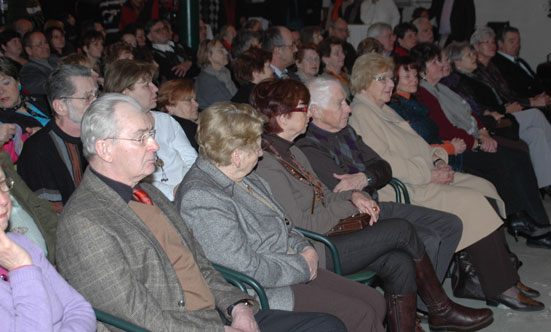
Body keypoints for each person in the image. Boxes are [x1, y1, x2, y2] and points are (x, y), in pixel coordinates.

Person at [55, 93, 344, 332]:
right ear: (105, 149)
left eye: (151, 134)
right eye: (141, 137)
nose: (154, 145)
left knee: (328, 324)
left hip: (215, 315)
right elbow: (135, 315)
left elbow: (200, 264)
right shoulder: (85, 222)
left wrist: (238, 305)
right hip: (187, 327)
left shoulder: (148, 193)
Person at [252, 78, 495, 332]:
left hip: (333, 232)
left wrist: (353, 196)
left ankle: (409, 325)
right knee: (401, 229)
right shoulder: (268, 163)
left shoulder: (292, 152)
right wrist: (351, 204)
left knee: (399, 262)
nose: (308, 114)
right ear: (282, 117)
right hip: (316, 249)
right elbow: (303, 225)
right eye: (303, 108)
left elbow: (325, 194)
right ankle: (440, 309)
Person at [346, 52, 544, 311]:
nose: (390, 84)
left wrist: (439, 160)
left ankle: (487, 275)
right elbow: (386, 165)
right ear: (363, 81)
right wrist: (430, 174)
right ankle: (501, 286)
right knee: (474, 203)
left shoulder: (383, 109)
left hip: (424, 176)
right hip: (406, 189)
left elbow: (419, 146)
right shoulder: (363, 114)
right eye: (381, 79)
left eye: (390, 78)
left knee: (486, 188)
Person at [175, 101, 386, 332]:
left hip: (292, 267)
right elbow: (245, 268)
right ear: (236, 156)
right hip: (264, 289)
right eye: (256, 146)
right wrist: (302, 265)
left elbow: (286, 223)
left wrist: (305, 249)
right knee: (360, 313)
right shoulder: (201, 198)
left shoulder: (246, 176)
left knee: (375, 301)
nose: (260, 153)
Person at [410, 43, 551, 243]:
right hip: (454, 148)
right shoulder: (424, 93)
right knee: (510, 158)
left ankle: (529, 220)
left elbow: (471, 113)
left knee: (517, 153)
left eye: (442, 59)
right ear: (422, 69)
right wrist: (476, 141)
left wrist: (483, 132)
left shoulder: (441, 88)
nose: (443, 64)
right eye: (436, 61)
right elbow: (445, 130)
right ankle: (525, 221)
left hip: (470, 138)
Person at [443, 41, 551, 196]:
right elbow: (475, 108)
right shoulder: (458, 81)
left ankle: (545, 184)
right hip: (491, 122)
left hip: (501, 115)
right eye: (469, 55)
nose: (474, 57)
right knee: (535, 115)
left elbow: (504, 94)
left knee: (536, 133)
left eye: (473, 53)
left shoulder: (477, 74)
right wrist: (503, 109)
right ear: (457, 62)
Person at [0, 165, 96, 331]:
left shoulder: (20, 243)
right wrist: (22, 267)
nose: (3, 200)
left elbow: (80, 309)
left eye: (2, 183)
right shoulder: (20, 256)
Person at [104, 59, 197, 201]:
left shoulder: (165, 120)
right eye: (146, 85)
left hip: (188, 191)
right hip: (153, 202)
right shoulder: (116, 134)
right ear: (126, 94)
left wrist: (185, 187)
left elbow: (191, 159)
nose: (155, 89)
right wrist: (173, 192)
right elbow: (135, 180)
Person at [18, 65, 97, 213]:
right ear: (60, 106)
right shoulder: (38, 151)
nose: (96, 103)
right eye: (87, 97)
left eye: (96, 96)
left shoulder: (99, 136)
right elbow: (50, 214)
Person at [388, 55, 465, 171]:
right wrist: (450, 147)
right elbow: (414, 146)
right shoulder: (395, 108)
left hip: (442, 156)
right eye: (407, 76)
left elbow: (431, 137)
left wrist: (450, 144)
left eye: (415, 75)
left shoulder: (412, 101)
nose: (414, 79)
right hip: (429, 164)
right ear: (394, 79)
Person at [0, 57, 50, 163]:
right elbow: (7, 158)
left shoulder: (41, 100)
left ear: (18, 82)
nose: (1, 91)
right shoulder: (2, 122)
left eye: (6, 83)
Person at [492, 26, 550, 101]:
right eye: (512, 41)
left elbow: (537, 82)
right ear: (500, 43)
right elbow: (514, 91)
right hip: (529, 103)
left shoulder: (520, 61)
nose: (517, 45)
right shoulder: (497, 63)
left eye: (518, 41)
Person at [158, 78, 199, 150]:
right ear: (170, 107)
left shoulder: (163, 127)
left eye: (195, 100)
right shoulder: (187, 129)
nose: (196, 104)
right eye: (189, 101)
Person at [196, 39, 237, 110]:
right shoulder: (206, 80)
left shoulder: (225, 73)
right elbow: (226, 108)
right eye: (221, 50)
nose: (226, 52)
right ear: (209, 56)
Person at [20, 31, 56, 96]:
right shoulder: (28, 70)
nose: (45, 46)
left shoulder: (54, 59)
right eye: (39, 44)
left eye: (46, 42)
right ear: (29, 50)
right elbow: (45, 88)